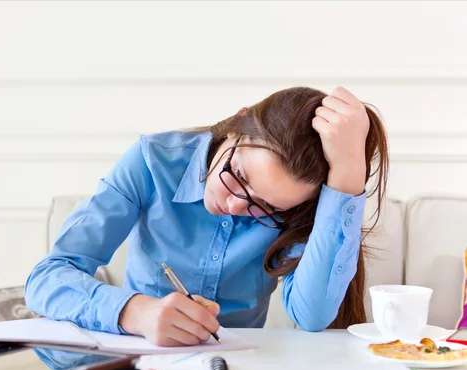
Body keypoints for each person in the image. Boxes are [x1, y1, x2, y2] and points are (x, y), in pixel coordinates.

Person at [25, 86, 389, 347]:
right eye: (239, 175)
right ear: (236, 125)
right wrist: (135, 313)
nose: (234, 206)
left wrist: (347, 175)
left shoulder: (296, 208)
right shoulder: (152, 162)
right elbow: (47, 279)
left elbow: (311, 317)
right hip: (141, 359)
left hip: (241, 369)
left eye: (266, 207)